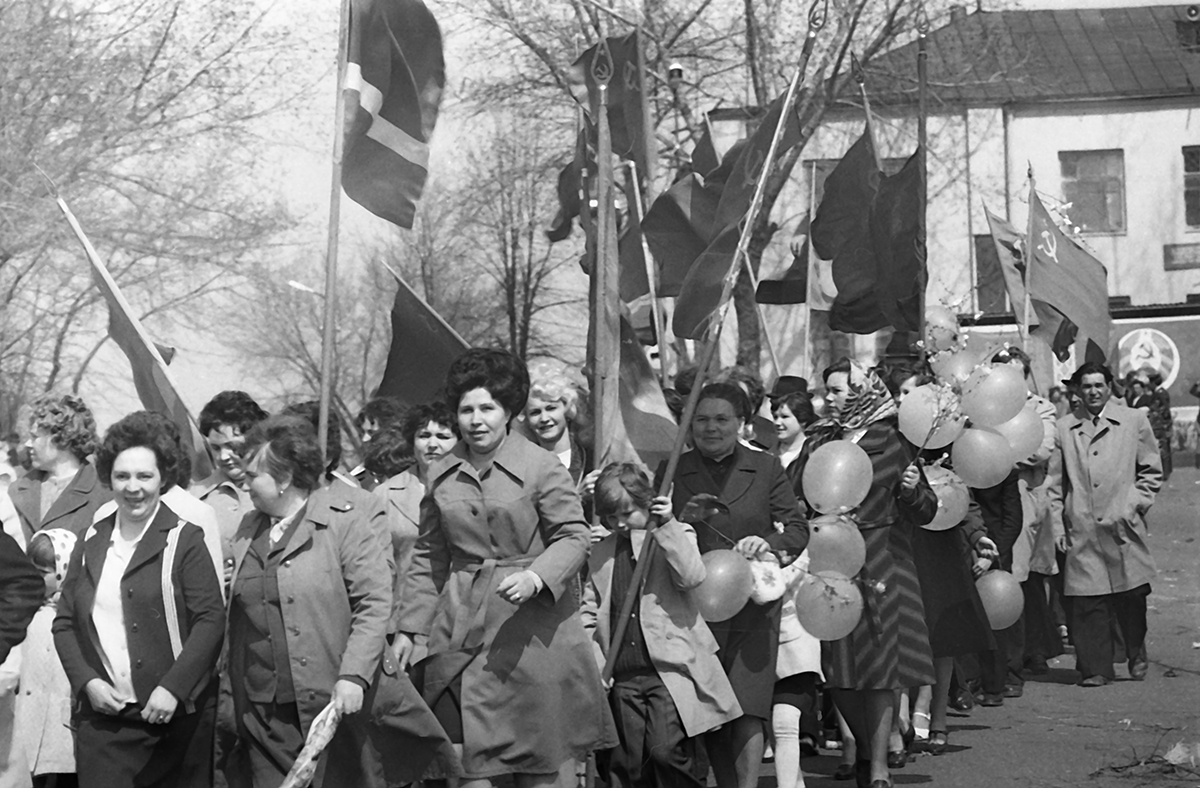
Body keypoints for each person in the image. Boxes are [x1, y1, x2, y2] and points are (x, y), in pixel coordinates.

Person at [394, 348, 615, 783]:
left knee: (540, 766)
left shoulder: (541, 466)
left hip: (535, 638)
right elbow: (428, 556)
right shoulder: (440, 474)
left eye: (487, 408)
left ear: (510, 411)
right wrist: (408, 628)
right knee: (467, 767)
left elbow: (574, 536)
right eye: (466, 410)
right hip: (462, 637)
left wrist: (537, 576)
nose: (476, 420)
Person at [224, 414, 450, 787]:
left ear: (283, 480)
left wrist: (353, 675)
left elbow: (374, 602)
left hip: (332, 705)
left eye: (253, 477)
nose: (243, 484)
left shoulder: (344, 523)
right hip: (264, 714)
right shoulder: (249, 528)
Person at [53, 410, 225, 788]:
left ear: (163, 478)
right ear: (108, 478)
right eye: (122, 476)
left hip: (173, 722)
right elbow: (64, 622)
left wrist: (173, 689)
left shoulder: (185, 539)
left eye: (145, 476)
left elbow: (211, 620)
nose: (134, 487)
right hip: (105, 726)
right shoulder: (92, 538)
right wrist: (88, 683)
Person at [796, 359, 937, 788]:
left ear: (862, 391)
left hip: (881, 561)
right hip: (831, 561)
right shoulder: (820, 440)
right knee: (838, 674)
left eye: (839, 391)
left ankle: (877, 767)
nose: (830, 400)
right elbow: (797, 493)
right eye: (828, 392)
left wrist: (913, 493)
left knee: (878, 671)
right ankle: (862, 744)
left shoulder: (893, 441)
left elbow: (928, 509)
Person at [665, 382, 809, 788]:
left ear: (742, 424)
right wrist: (681, 519)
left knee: (748, 707)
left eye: (722, 419)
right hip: (696, 606)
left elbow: (797, 528)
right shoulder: (673, 469)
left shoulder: (765, 468)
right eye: (702, 419)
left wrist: (770, 544)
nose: (711, 428)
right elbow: (657, 532)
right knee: (712, 708)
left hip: (753, 607)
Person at [582, 463, 741, 788]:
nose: (620, 523)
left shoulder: (674, 535)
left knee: (667, 752)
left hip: (669, 673)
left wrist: (666, 523)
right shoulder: (601, 551)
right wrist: (595, 666)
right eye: (611, 517)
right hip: (622, 675)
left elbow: (692, 575)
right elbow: (589, 612)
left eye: (627, 512)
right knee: (626, 764)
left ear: (647, 502)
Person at [888, 369, 997, 758]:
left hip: (943, 548)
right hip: (904, 545)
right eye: (900, 393)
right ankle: (900, 715)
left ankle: (935, 716)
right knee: (904, 633)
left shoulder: (955, 444)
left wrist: (978, 536)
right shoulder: (891, 441)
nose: (905, 400)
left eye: (911, 392)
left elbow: (964, 500)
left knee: (943, 636)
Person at [1047, 362, 1162, 687]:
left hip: (1122, 526)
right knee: (1086, 602)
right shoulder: (1064, 428)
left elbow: (1151, 470)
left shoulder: (1133, 420)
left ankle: (1136, 647)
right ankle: (1096, 668)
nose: (1094, 392)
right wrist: (1058, 527)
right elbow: (1055, 486)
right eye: (1087, 386)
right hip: (1081, 528)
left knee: (1132, 598)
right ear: (1078, 391)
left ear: (1110, 387)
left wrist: (1134, 504)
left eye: (1099, 385)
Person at [373, 402, 458, 663]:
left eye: (443, 437)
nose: (433, 444)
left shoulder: (474, 489)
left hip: (456, 619)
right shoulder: (385, 494)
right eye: (424, 436)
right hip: (401, 625)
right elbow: (376, 569)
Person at [16, 529, 78, 788]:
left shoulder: (76, 613)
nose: (35, 577)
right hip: (24, 716)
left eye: (43, 572)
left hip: (60, 721)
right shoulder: (22, 608)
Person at [8, 395, 110, 542]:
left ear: (62, 438)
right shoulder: (17, 489)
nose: (28, 444)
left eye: (35, 437)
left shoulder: (101, 497)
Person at [190, 391, 268, 572]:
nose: (224, 456)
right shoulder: (196, 497)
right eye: (216, 448)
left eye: (233, 447)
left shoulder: (277, 489)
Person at [522, 361, 590, 483]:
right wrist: (579, 495)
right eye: (535, 412)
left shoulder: (590, 457)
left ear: (567, 409)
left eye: (551, 408)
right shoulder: (521, 465)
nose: (544, 418)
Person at [352, 396, 408, 490]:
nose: (365, 439)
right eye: (361, 433)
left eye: (371, 433)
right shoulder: (355, 480)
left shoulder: (417, 473)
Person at [769, 378, 816, 483]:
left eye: (785, 417)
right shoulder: (767, 454)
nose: (777, 423)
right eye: (775, 417)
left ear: (802, 419)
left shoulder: (814, 453)